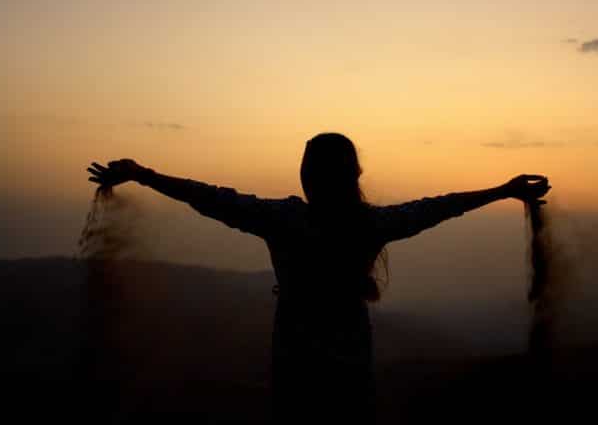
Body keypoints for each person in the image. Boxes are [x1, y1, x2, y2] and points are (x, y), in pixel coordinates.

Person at [86, 132, 550, 423]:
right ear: (354, 175)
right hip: (350, 364)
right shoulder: (369, 225)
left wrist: (143, 174)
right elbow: (438, 207)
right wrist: (502, 191)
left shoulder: (285, 220)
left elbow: (209, 198)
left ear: (310, 175)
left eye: (308, 168)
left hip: (296, 361)